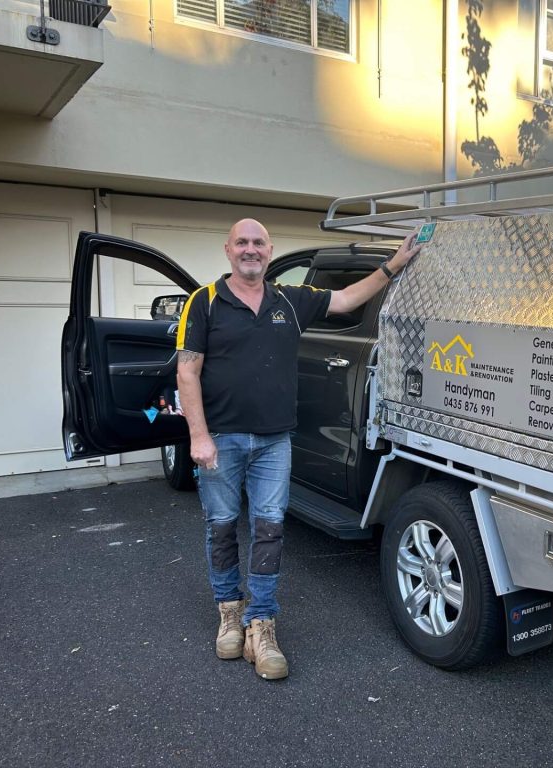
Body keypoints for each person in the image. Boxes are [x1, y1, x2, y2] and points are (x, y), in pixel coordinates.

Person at [176, 218, 421, 680]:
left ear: (270, 251)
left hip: (273, 441)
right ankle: (230, 611)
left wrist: (394, 264)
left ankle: (261, 623)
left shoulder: (290, 300)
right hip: (221, 439)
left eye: (259, 243)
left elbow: (347, 298)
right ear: (228, 250)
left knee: (269, 530)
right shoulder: (203, 303)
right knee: (222, 527)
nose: (251, 250)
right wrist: (198, 436)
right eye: (242, 243)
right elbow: (187, 372)